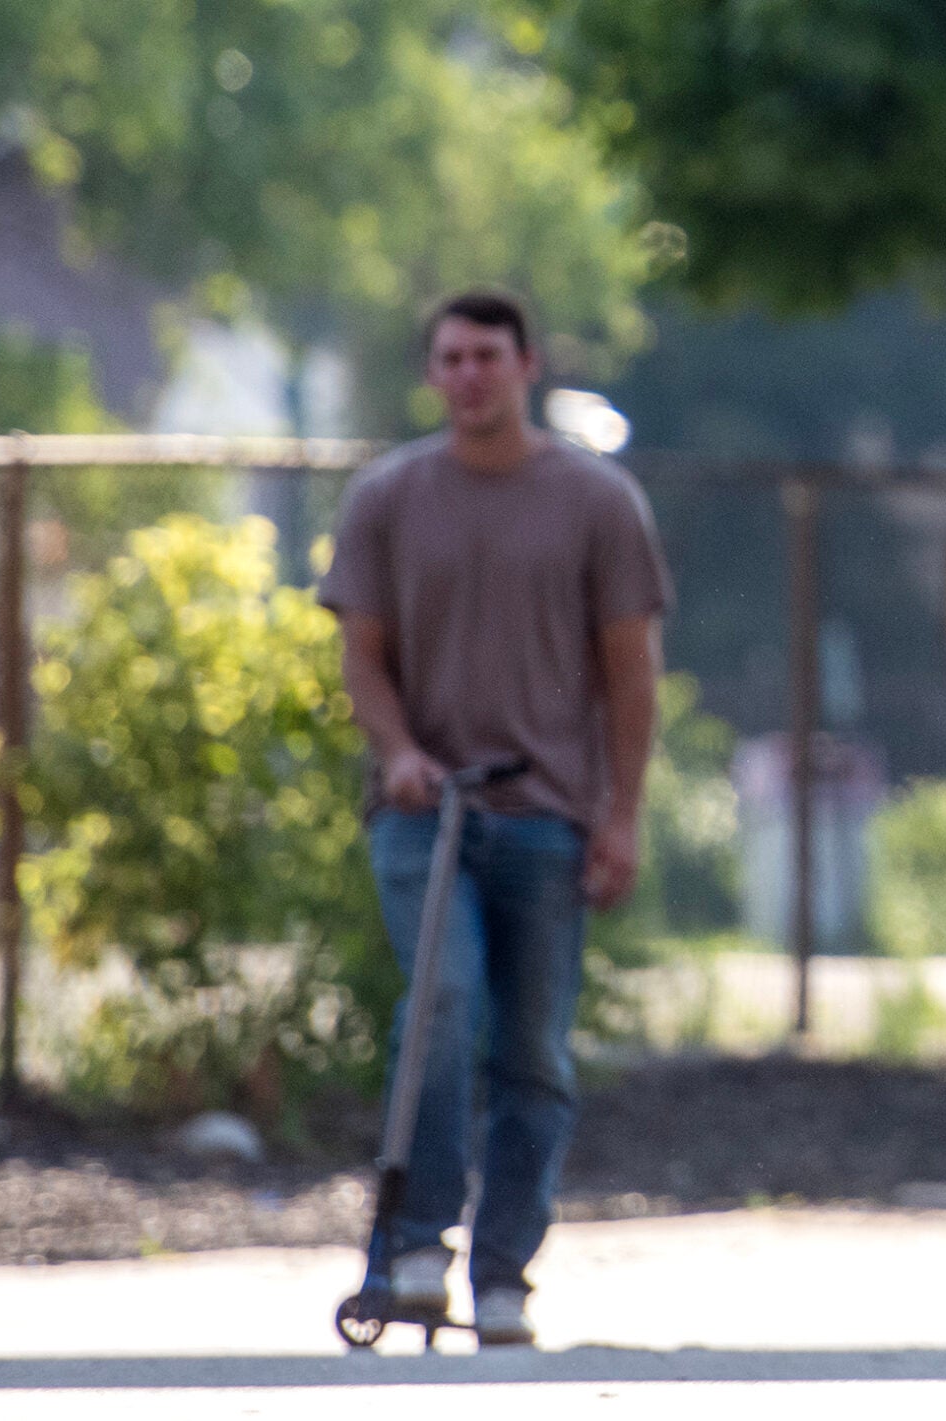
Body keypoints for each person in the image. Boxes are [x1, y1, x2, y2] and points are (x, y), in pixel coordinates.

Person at [319, 289, 668, 1346]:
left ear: (528, 363)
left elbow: (629, 672)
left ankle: (505, 1269)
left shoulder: (597, 502)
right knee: (441, 1004)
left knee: (533, 1052)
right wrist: (399, 752)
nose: (468, 375)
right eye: (450, 358)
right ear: (434, 373)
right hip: (426, 811)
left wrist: (621, 815)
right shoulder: (387, 496)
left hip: (548, 811)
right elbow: (362, 656)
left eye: (486, 356)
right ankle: (416, 1246)